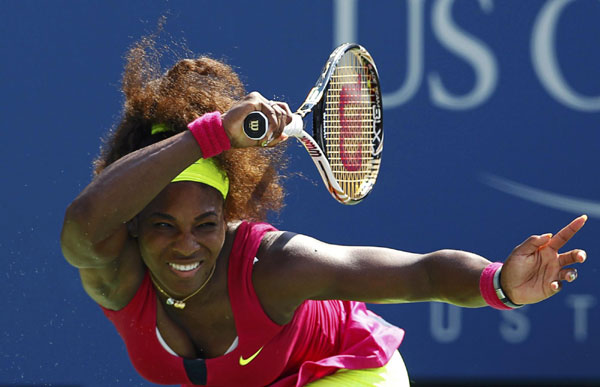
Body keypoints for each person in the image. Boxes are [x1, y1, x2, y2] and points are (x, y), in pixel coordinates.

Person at [60, 37, 588, 387]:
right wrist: (213, 134)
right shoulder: (119, 277)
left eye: (205, 224)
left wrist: (499, 284)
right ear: (131, 223)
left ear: (228, 216)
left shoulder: (275, 267)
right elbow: (83, 222)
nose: (186, 244)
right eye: (162, 225)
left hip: (349, 373)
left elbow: (422, 272)